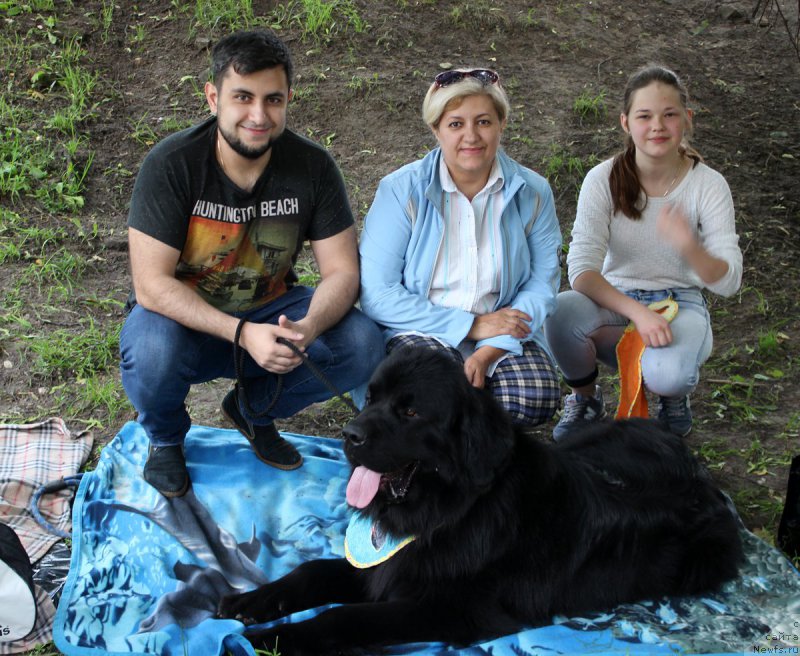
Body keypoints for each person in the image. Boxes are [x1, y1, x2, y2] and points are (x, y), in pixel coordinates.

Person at [119, 29, 383, 497]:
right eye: (243, 97)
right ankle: (165, 438)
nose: (258, 116)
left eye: (273, 100)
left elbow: (342, 271)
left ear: (288, 100)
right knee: (152, 351)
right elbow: (151, 285)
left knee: (361, 342)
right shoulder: (172, 164)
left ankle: (253, 409)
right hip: (186, 321)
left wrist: (310, 327)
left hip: (270, 308)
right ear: (213, 96)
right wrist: (241, 334)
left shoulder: (313, 167)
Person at [544, 64, 743, 440]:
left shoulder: (708, 185)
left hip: (680, 303)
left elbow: (728, 281)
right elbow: (582, 270)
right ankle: (585, 399)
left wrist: (688, 245)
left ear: (687, 119)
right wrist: (637, 312)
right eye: (645, 116)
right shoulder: (602, 178)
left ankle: (670, 397)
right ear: (625, 122)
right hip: (616, 302)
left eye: (669, 115)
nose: (657, 126)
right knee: (560, 311)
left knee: (668, 375)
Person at [358, 69, 563, 427]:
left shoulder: (533, 191)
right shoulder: (401, 190)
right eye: (455, 124)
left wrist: (488, 349)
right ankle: (430, 460)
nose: (471, 136)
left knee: (535, 397)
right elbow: (378, 294)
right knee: (437, 392)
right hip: (422, 328)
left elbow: (542, 283)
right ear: (436, 129)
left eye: (483, 121)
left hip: (501, 330)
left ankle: (483, 457)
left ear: (501, 123)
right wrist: (470, 325)